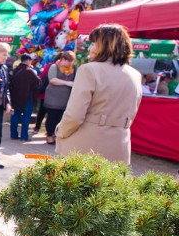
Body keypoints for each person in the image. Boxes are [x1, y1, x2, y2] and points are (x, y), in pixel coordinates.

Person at [56, 24, 142, 165]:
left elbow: (75, 114)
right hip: (119, 146)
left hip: (85, 147)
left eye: (93, 44)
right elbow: (132, 112)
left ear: (104, 45)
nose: (90, 48)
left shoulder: (89, 70)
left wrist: (61, 132)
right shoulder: (135, 75)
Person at [43, 51, 76, 144]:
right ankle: (49, 135)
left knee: (60, 118)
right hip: (53, 97)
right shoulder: (54, 67)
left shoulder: (73, 69)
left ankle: (56, 135)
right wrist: (67, 83)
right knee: (52, 117)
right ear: (63, 59)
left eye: (72, 61)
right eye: (69, 61)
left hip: (65, 98)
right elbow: (52, 80)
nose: (70, 63)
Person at [9, 54, 40, 141]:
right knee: (26, 116)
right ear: (28, 61)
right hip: (27, 97)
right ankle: (24, 136)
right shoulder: (29, 71)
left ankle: (13, 134)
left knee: (16, 115)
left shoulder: (15, 70)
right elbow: (38, 81)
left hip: (15, 97)